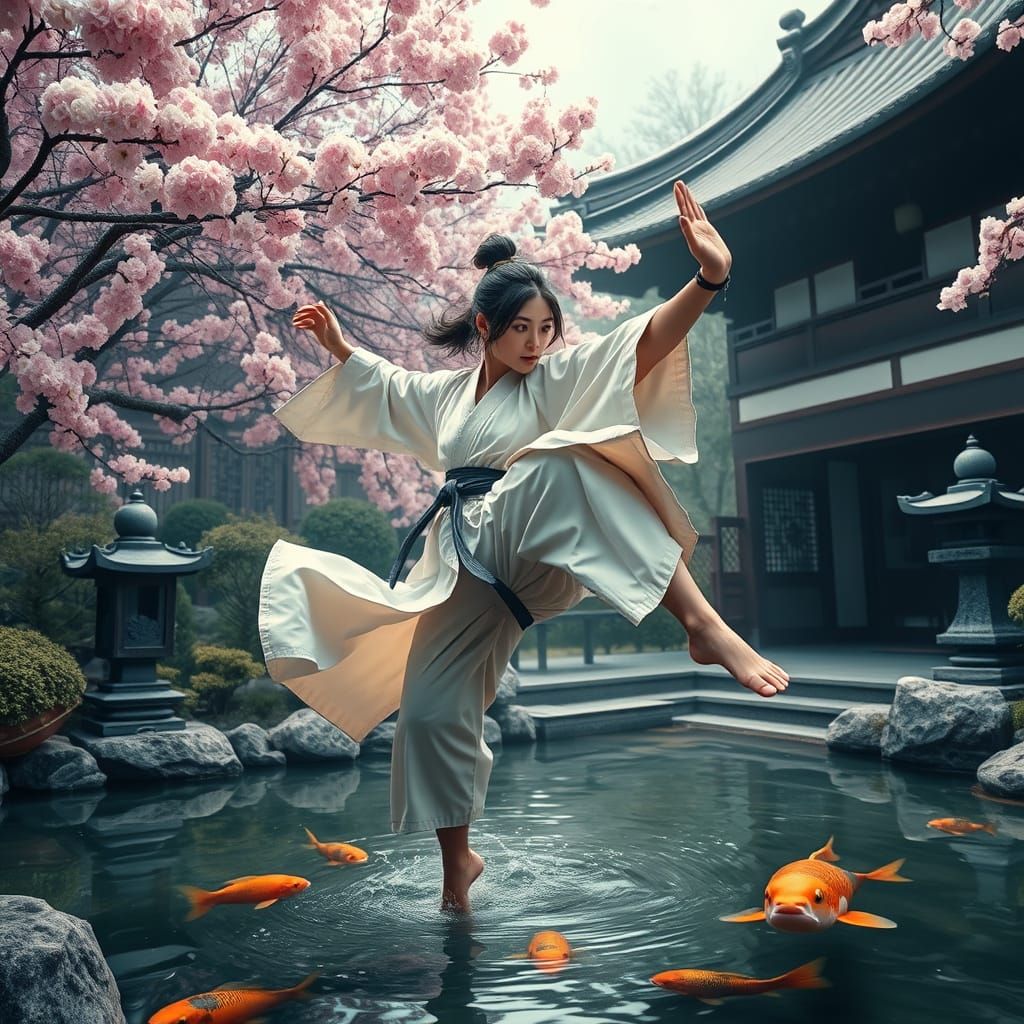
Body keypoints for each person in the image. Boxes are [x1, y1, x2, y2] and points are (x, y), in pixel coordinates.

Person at [259, 180, 790, 914]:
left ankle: (702, 624)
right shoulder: (449, 396)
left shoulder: (555, 379)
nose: (538, 344)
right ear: (486, 326)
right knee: (427, 713)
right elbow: (389, 387)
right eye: (522, 330)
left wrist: (709, 279)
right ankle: (457, 869)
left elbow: (639, 344)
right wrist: (340, 346)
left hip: (529, 537)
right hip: (461, 567)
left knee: (561, 462)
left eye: (547, 329)